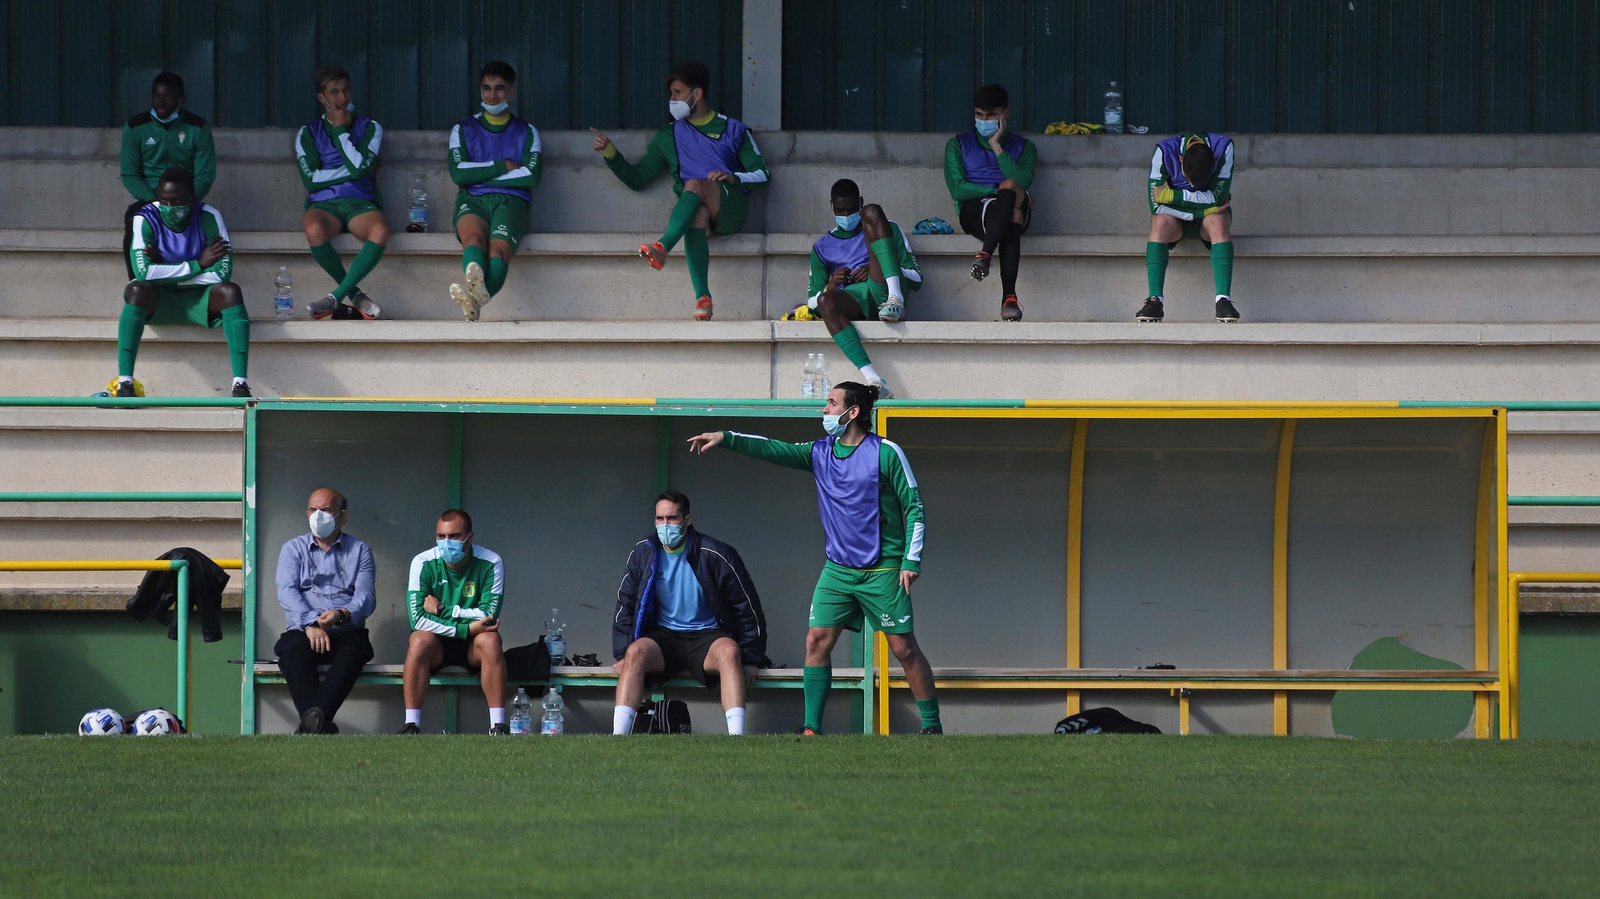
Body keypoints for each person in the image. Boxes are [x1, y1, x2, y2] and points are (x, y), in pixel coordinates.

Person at [688, 382, 942, 735]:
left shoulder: (886, 452)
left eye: (831, 403)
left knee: (903, 648)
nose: (824, 409)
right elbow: (772, 448)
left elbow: (913, 506)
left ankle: (932, 727)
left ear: (852, 412)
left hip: (883, 569)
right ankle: (811, 729)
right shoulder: (819, 452)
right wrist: (726, 436)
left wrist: (910, 560)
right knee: (815, 641)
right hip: (837, 570)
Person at [591, 60, 770, 321]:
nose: (672, 99)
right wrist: (610, 153)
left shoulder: (734, 129)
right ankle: (703, 297)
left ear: (697, 94)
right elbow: (639, 178)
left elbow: (763, 174)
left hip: (731, 209)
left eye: (678, 93)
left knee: (695, 183)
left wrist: (732, 178)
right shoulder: (668, 135)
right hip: (696, 211)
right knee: (695, 213)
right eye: (671, 93)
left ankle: (663, 246)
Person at [612, 490, 772, 736]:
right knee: (635, 652)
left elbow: (747, 606)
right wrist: (622, 652)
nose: (665, 525)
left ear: (688, 520)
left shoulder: (716, 553)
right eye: (659, 519)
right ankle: (618, 738)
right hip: (665, 638)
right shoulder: (643, 553)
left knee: (730, 652)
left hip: (708, 637)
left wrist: (751, 657)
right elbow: (626, 604)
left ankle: (737, 737)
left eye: (672, 518)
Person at [116, 167, 251, 397]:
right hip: (161, 299)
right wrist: (198, 263)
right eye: (164, 200)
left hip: (199, 299)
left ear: (191, 200)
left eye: (176, 202)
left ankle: (240, 383)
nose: (169, 207)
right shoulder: (144, 217)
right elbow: (143, 273)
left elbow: (222, 274)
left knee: (230, 292)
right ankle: (125, 382)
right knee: (137, 290)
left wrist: (166, 273)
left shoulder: (209, 216)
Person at [793, 179, 920, 400]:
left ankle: (894, 300)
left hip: (885, 291)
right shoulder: (822, 247)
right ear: (831, 206)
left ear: (859, 202)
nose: (846, 215)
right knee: (825, 302)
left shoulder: (886, 227)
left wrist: (875, 267)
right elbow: (811, 304)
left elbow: (917, 279)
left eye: (852, 209)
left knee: (873, 212)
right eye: (840, 210)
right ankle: (873, 379)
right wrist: (831, 286)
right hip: (855, 302)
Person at [273, 488, 376, 735]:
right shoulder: (292, 549)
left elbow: (366, 597)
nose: (318, 515)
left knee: (357, 649)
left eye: (326, 510)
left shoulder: (360, 550)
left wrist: (341, 614)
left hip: (344, 628)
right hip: (304, 630)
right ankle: (321, 723)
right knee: (291, 651)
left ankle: (312, 724)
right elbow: (286, 591)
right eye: (312, 509)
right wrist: (312, 624)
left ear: (342, 516)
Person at [446, 61, 543, 322]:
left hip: (512, 201)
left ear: (512, 92)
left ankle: (474, 301)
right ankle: (475, 302)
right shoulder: (463, 129)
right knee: (474, 241)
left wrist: (479, 173)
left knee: (497, 252)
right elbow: (458, 173)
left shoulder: (527, 131)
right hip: (473, 198)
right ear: (479, 90)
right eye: (487, 88)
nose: (492, 95)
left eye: (500, 89)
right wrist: (503, 166)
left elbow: (532, 176)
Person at [399, 509, 508, 735]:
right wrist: (466, 628)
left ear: (470, 537)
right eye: (441, 536)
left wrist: (441, 609)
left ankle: (498, 726)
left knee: (490, 640)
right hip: (436, 644)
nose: (446, 543)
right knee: (418, 640)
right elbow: (417, 619)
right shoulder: (423, 562)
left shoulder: (491, 561)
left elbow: (488, 615)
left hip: (473, 646)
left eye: (455, 536)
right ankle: (411, 725)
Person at [296, 66, 386, 321]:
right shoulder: (307, 133)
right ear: (321, 97)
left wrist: (340, 131)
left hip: (360, 203)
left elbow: (357, 168)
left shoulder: (371, 128)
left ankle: (334, 298)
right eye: (333, 92)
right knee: (313, 229)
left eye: (346, 90)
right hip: (325, 205)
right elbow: (311, 180)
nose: (342, 98)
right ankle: (355, 295)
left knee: (380, 230)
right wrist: (356, 171)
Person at [944, 83, 1035, 323]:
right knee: (1012, 214)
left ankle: (985, 254)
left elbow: (1023, 180)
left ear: (1005, 114)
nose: (984, 120)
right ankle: (1010, 298)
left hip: (1012, 199)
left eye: (991, 115)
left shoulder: (1025, 147)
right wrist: (994, 191)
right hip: (977, 211)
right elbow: (957, 189)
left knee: (1010, 187)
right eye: (979, 115)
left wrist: (996, 146)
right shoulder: (958, 144)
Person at [120, 72, 216, 281]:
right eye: (156, 96)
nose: (161, 102)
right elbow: (129, 174)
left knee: (204, 225)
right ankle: (137, 285)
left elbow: (205, 175)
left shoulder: (198, 128)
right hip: (152, 201)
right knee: (132, 218)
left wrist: (186, 201)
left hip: (187, 201)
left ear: (181, 100)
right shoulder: (136, 127)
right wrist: (156, 202)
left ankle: (196, 285)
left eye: (169, 97)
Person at [1138, 132, 1238, 323]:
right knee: (1159, 221)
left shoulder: (1224, 148)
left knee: (1218, 221)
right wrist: (1203, 209)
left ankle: (1223, 300)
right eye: (1187, 176)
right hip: (1178, 221)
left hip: (1207, 220)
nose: (1192, 185)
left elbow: (1217, 198)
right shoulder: (1163, 151)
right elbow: (1157, 206)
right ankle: (1154, 300)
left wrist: (1172, 196)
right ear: (1180, 158)